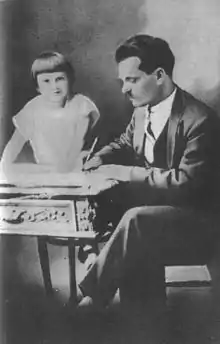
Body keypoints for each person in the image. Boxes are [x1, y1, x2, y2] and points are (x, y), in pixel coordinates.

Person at [78, 34, 220, 342]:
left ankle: (92, 298)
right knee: (133, 225)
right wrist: (100, 158)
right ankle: (143, 331)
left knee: (136, 220)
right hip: (157, 224)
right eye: (122, 81)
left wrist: (125, 171)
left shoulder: (200, 119)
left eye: (131, 79)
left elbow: (186, 183)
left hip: (200, 225)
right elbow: (125, 143)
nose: (124, 88)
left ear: (159, 75)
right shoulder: (142, 110)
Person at [1, 51, 100, 172]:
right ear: (37, 87)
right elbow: (14, 144)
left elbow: (78, 142)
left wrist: (67, 169)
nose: (54, 86)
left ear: (70, 79)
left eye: (60, 79)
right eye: (46, 81)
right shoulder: (33, 108)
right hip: (46, 172)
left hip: (77, 168)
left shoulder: (81, 105)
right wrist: (3, 167)